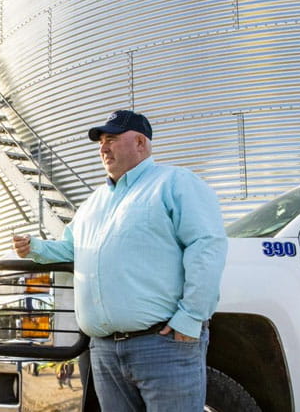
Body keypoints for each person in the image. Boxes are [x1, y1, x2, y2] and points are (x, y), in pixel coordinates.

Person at [12, 110, 227, 411]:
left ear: (140, 143)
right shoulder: (93, 202)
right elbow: (73, 249)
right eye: (101, 141)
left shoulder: (173, 183)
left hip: (162, 345)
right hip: (105, 351)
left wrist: (190, 318)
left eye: (111, 139)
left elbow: (206, 246)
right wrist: (35, 248)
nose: (103, 148)